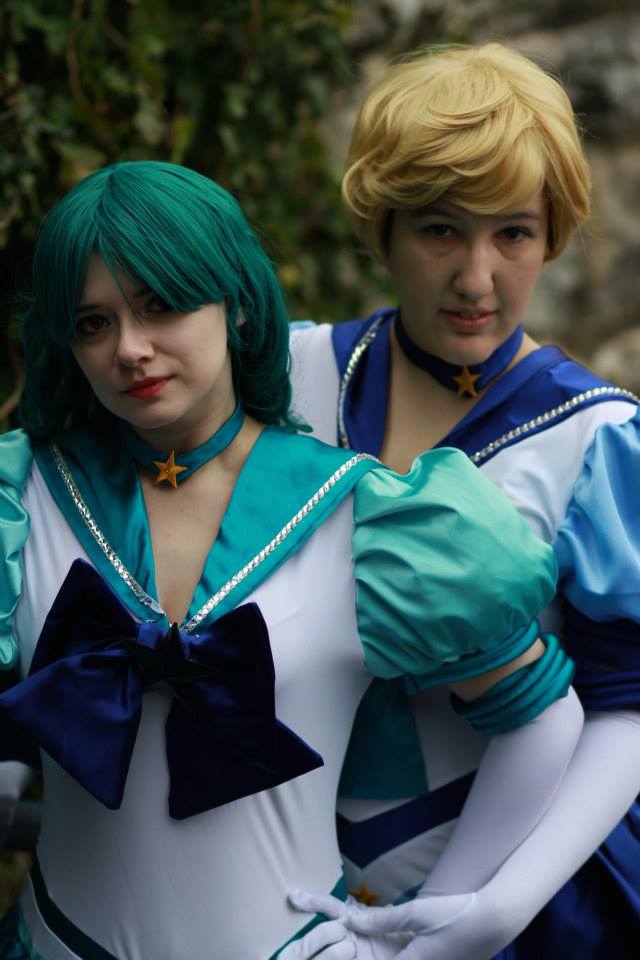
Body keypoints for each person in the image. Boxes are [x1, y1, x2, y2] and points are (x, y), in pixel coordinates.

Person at [0, 160, 583, 960]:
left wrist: (445, 927)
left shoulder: (362, 516)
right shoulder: (21, 495)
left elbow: (545, 717)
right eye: (93, 323)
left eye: (161, 305)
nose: (130, 349)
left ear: (237, 303)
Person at [288, 42, 640, 958]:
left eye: (513, 234)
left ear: (552, 235)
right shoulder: (294, 377)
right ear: (384, 229)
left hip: (527, 899)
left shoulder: (597, 438)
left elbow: (628, 703)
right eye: (441, 230)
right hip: (278, 879)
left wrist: (495, 907)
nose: (478, 279)